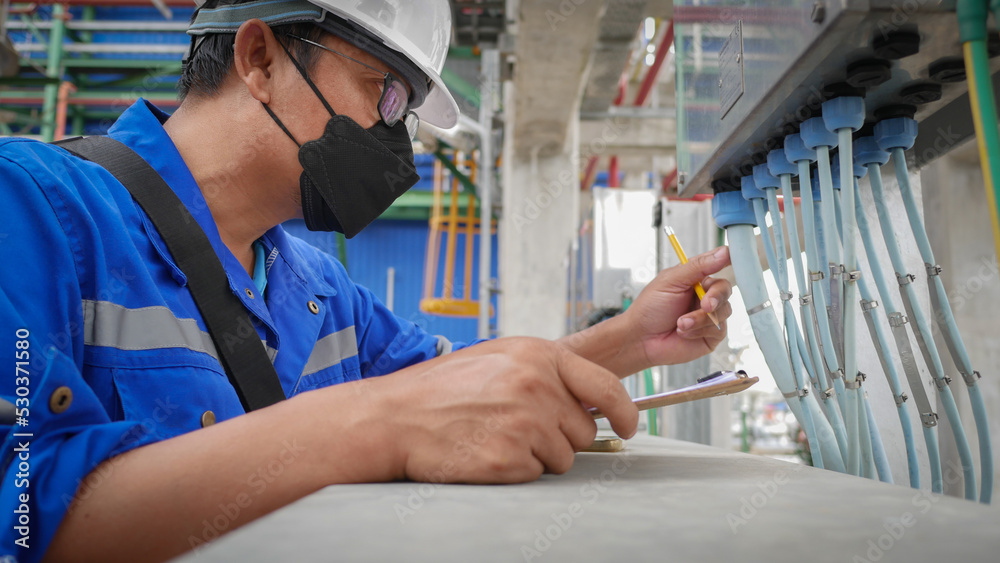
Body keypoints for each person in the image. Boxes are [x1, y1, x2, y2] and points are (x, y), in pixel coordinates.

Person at [0, 0, 733, 561]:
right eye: (384, 94)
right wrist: (378, 425)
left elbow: (459, 391)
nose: (396, 141)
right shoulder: (35, 209)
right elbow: (20, 513)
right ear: (259, 56)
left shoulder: (317, 287)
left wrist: (632, 337)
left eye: (407, 115)